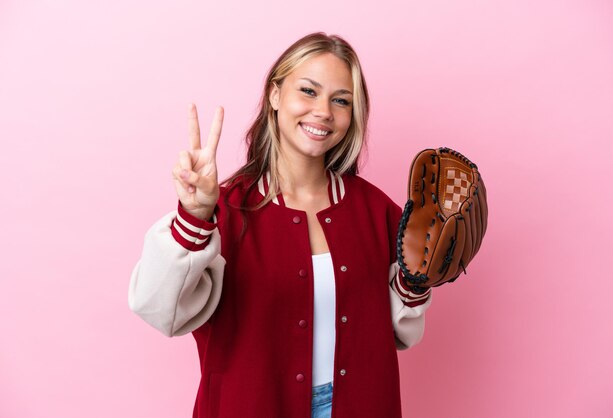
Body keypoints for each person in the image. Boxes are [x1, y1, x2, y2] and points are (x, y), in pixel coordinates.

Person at [129, 32, 432, 418]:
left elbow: (400, 332)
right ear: (275, 95)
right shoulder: (224, 207)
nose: (323, 110)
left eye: (340, 100)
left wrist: (416, 282)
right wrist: (195, 217)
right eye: (308, 91)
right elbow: (158, 310)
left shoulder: (378, 211)